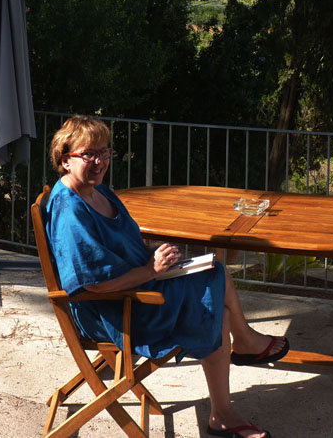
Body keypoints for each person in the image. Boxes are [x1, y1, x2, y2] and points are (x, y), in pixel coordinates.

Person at [44, 115, 287, 438]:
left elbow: (122, 245)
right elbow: (94, 284)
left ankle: (229, 391)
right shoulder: (70, 211)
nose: (100, 161)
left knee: (212, 271)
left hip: (137, 289)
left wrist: (156, 257)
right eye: (89, 154)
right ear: (65, 159)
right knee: (213, 301)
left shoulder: (98, 191)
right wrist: (150, 270)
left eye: (104, 152)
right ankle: (231, 386)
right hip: (116, 310)